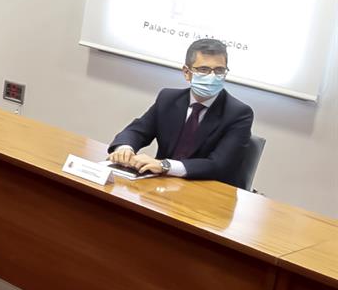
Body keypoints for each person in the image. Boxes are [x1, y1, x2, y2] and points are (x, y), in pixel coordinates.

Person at [107, 38, 254, 187]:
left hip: (207, 191)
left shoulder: (239, 113)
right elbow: (137, 131)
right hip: (161, 187)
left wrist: (165, 166)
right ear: (187, 72)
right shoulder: (168, 98)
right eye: (203, 69)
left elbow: (218, 165)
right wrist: (125, 148)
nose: (212, 77)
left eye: (219, 70)